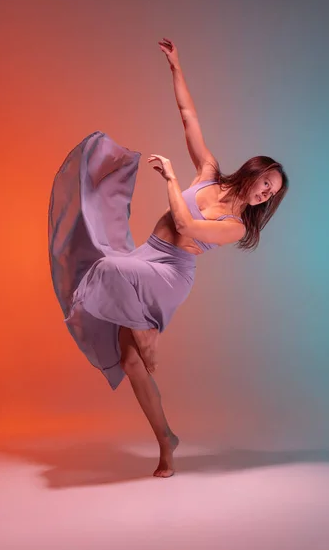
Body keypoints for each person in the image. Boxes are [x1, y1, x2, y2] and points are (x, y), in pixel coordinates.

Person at [48, 38, 289, 478]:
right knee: (130, 363)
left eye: (271, 193)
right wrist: (176, 67)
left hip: (171, 274)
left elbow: (186, 226)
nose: (265, 192)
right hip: (148, 255)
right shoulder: (210, 171)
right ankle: (166, 442)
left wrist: (174, 179)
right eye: (265, 182)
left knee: (108, 267)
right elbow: (188, 116)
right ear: (253, 171)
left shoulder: (237, 225)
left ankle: (147, 330)